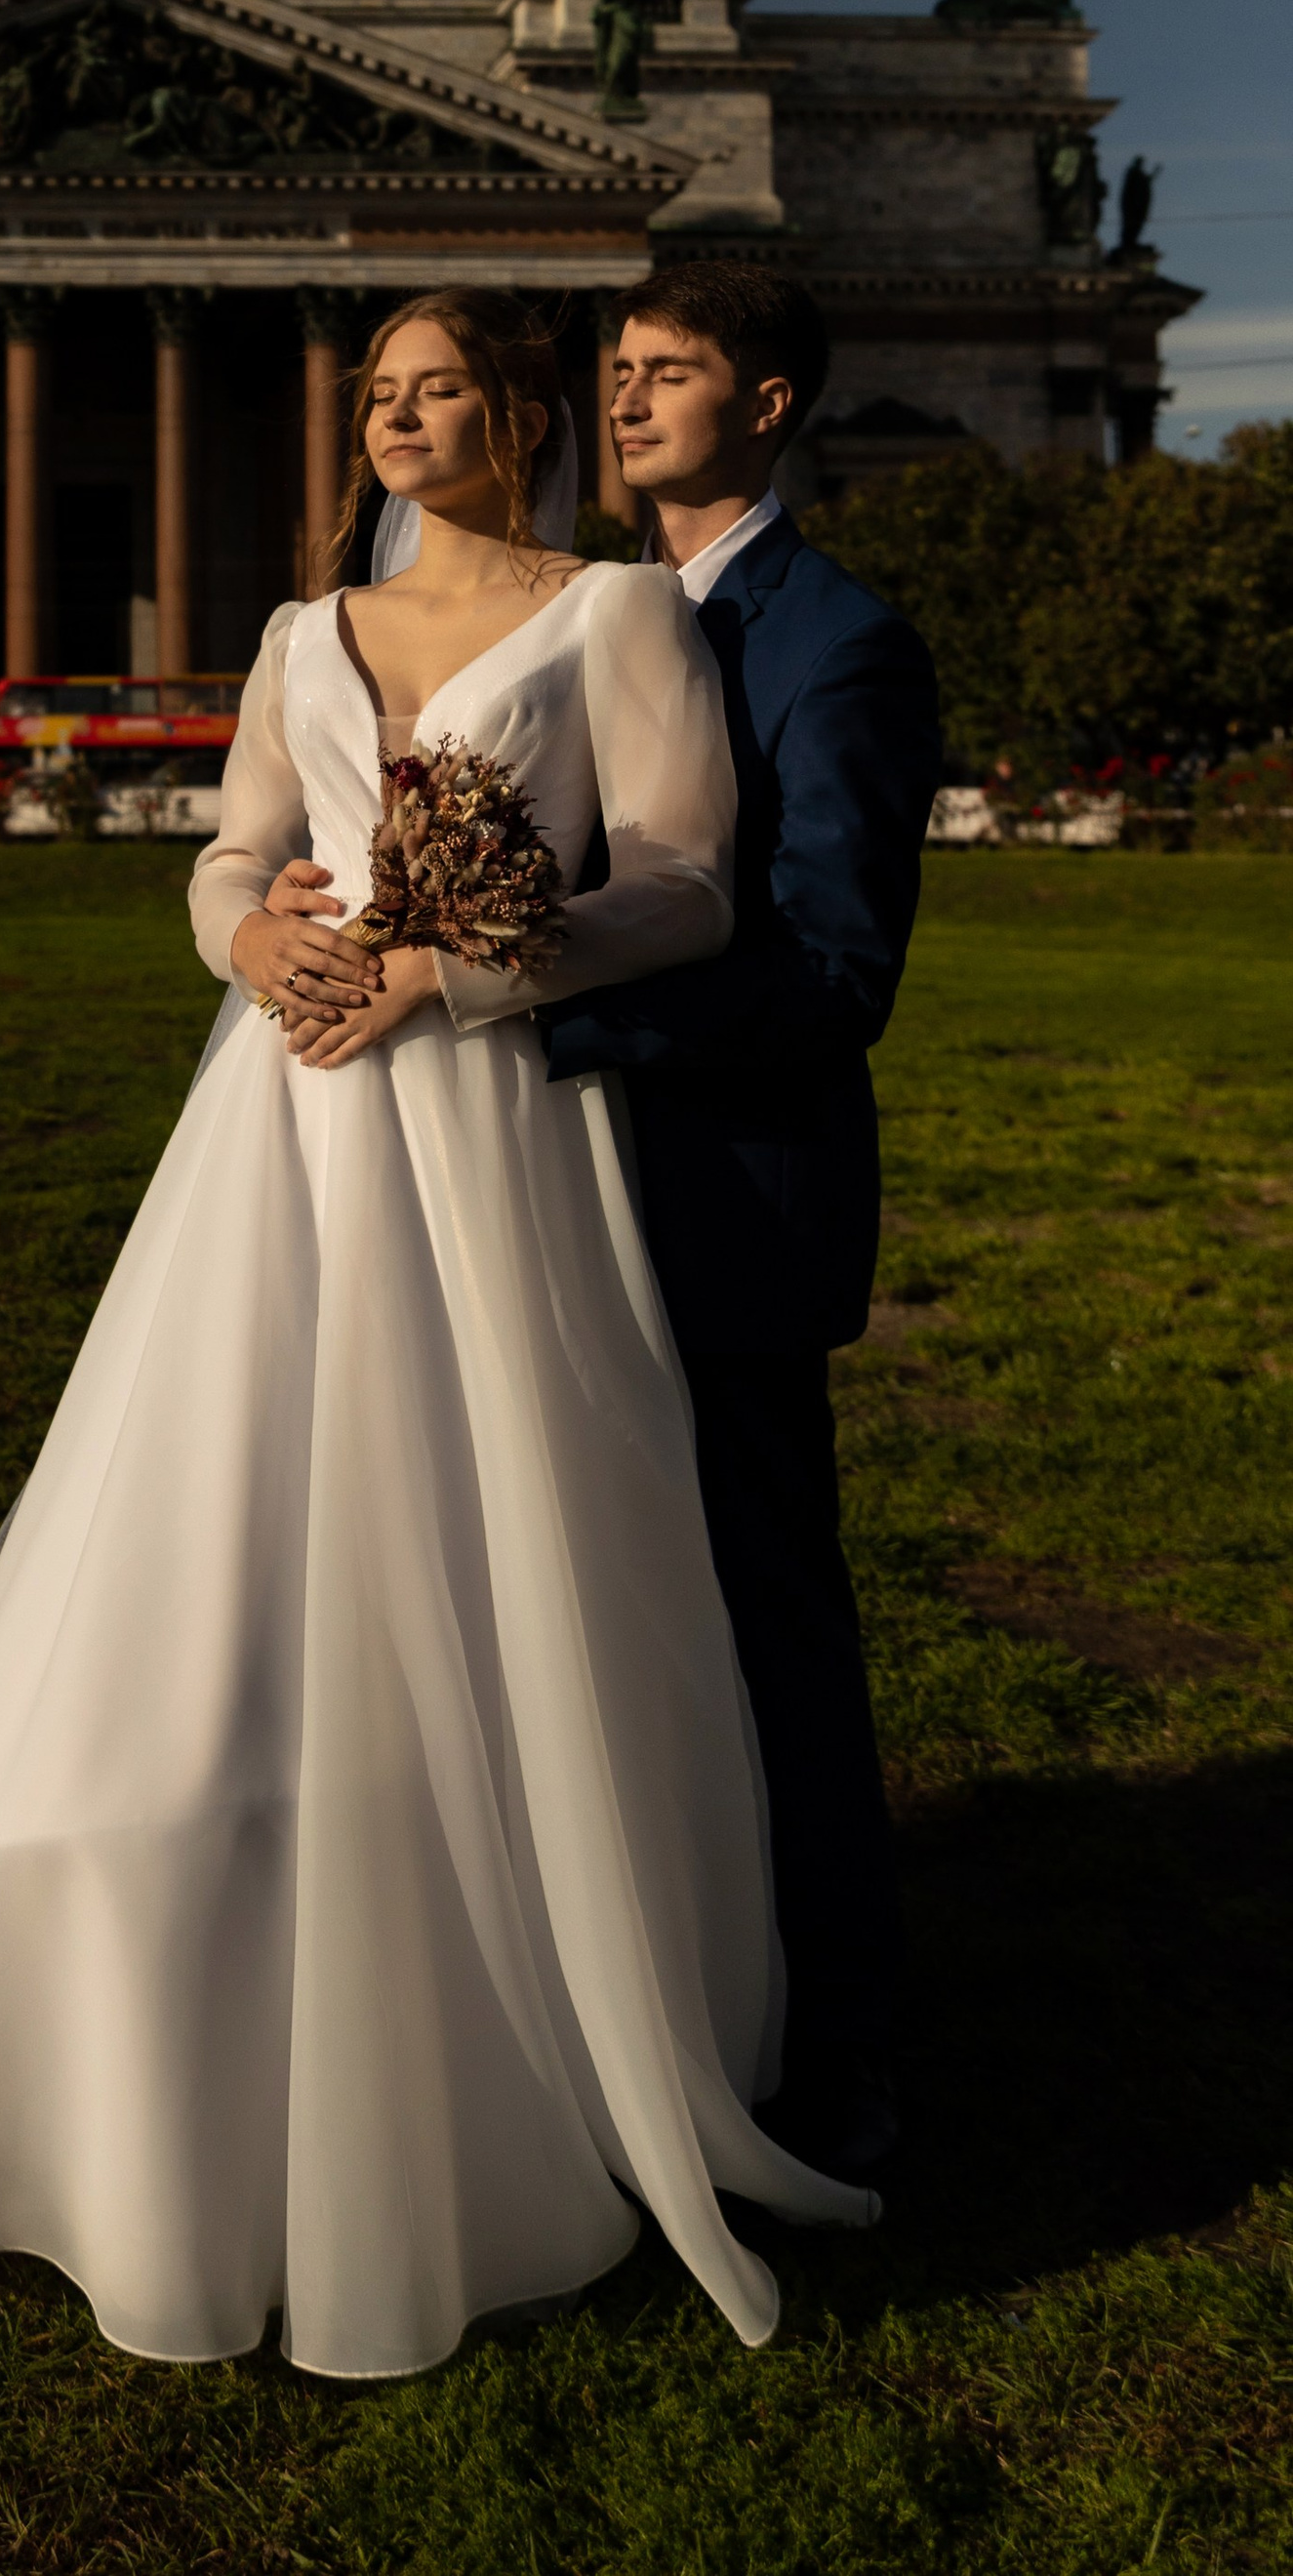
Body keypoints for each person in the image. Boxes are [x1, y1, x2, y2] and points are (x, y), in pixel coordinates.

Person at [0, 291, 876, 2375]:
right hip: (283, 1118)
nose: (393, 420)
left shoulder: (620, 620)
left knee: (485, 1524)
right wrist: (256, 934)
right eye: (373, 394)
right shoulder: (293, 639)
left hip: (484, 1123)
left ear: (515, 417)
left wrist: (457, 976)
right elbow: (230, 849)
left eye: (433, 388)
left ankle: (489, 1950)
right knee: (221, 1528)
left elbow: (696, 889)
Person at [541, 266, 942, 2184]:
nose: (622, 403)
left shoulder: (833, 645)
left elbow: (833, 971)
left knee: (768, 1627)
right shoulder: (578, 618)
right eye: (613, 373)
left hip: (721, 1207)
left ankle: (839, 2041)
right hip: (545, 1204)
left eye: (668, 374)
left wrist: (533, 1008)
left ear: (768, 405)